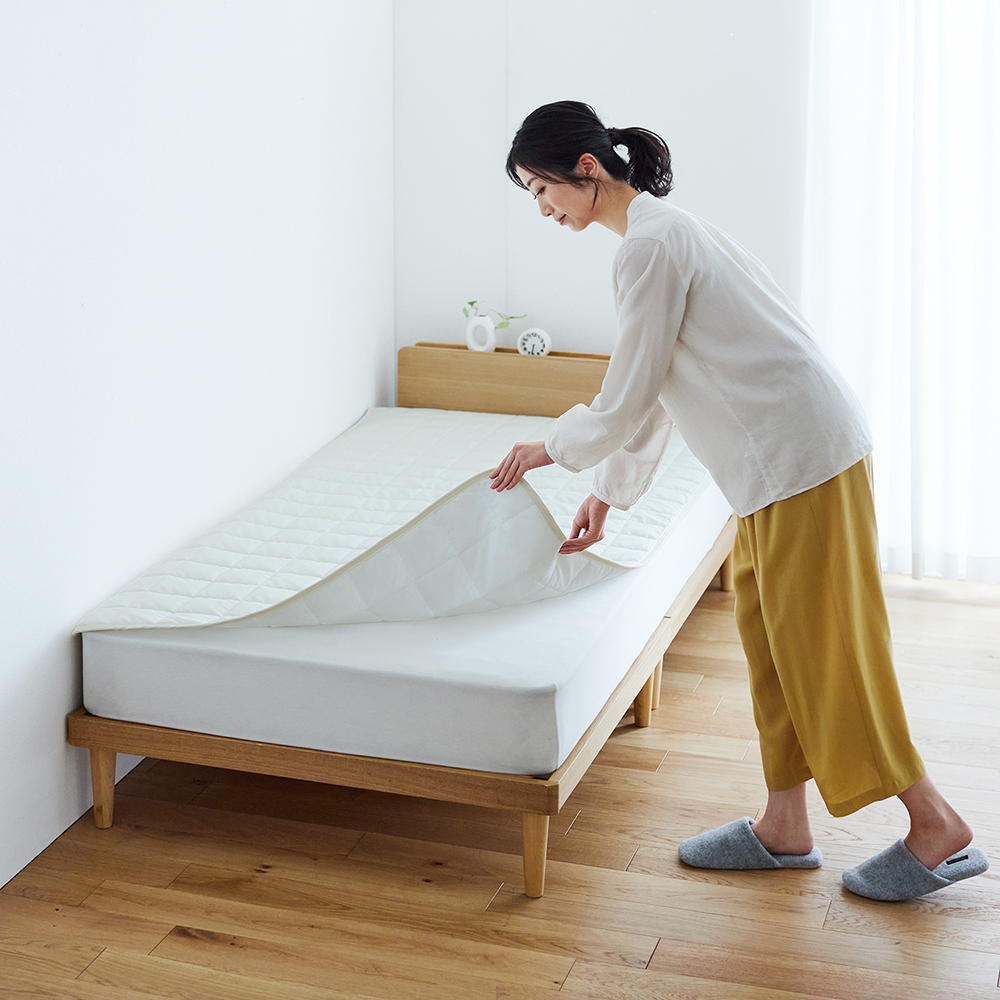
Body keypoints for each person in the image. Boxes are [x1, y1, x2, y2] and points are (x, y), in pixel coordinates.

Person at [490, 100, 988, 901]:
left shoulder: (650, 246)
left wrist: (546, 448)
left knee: (827, 648)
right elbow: (658, 389)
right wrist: (607, 493)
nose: (542, 209)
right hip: (777, 468)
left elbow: (626, 395)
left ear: (586, 168)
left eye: (541, 188)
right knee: (771, 641)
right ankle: (784, 827)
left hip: (801, 459)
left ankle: (936, 826)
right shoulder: (660, 235)